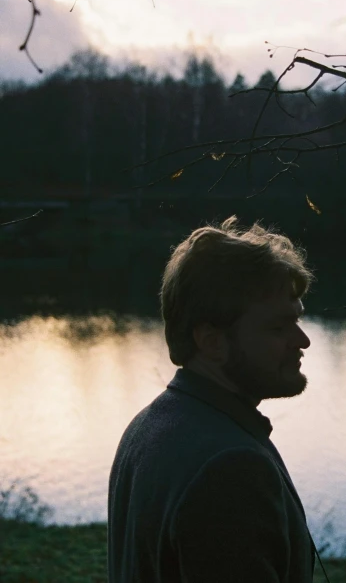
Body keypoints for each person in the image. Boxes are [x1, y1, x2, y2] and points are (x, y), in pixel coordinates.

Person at [108, 216, 320, 583]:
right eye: (278, 327)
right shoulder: (231, 468)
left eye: (297, 321)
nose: (302, 341)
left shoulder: (147, 425)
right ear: (212, 341)